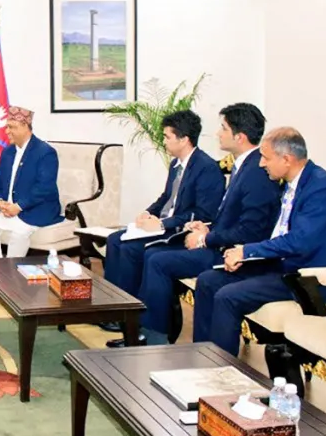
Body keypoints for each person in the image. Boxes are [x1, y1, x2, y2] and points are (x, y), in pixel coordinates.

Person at [117, 103, 281, 347]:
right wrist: (206, 228)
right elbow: (228, 215)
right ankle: (146, 330)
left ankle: (153, 337)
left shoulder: (257, 171)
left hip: (234, 252)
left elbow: (251, 230)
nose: (218, 134)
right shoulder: (244, 166)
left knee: (158, 260)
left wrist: (206, 238)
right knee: (151, 255)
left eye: (223, 128)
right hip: (219, 240)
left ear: (240, 136)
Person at [194, 127, 326, 356]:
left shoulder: (321, 188)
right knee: (209, 280)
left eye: (266, 158)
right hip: (282, 266)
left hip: (309, 278)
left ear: (286, 159)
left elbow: (298, 242)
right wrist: (244, 253)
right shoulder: (289, 184)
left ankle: (221, 368)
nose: (261, 164)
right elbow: (277, 232)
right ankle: (201, 356)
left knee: (228, 296)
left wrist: (247, 252)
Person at [100, 109, 225, 335]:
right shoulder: (176, 164)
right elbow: (166, 198)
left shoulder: (206, 168)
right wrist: (147, 213)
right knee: (114, 240)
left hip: (178, 231)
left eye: (167, 136)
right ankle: (112, 309)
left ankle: (132, 318)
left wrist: (161, 225)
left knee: (129, 249)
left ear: (184, 139)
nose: (164, 141)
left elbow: (203, 213)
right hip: (164, 225)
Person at [0, 106, 64, 258]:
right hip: (9, 210)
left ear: (25, 126)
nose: (7, 131)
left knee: (19, 232)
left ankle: (12, 270)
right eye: (7, 127)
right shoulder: (8, 151)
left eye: (12, 127)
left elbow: (44, 187)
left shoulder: (45, 152)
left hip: (35, 211)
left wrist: (18, 206)